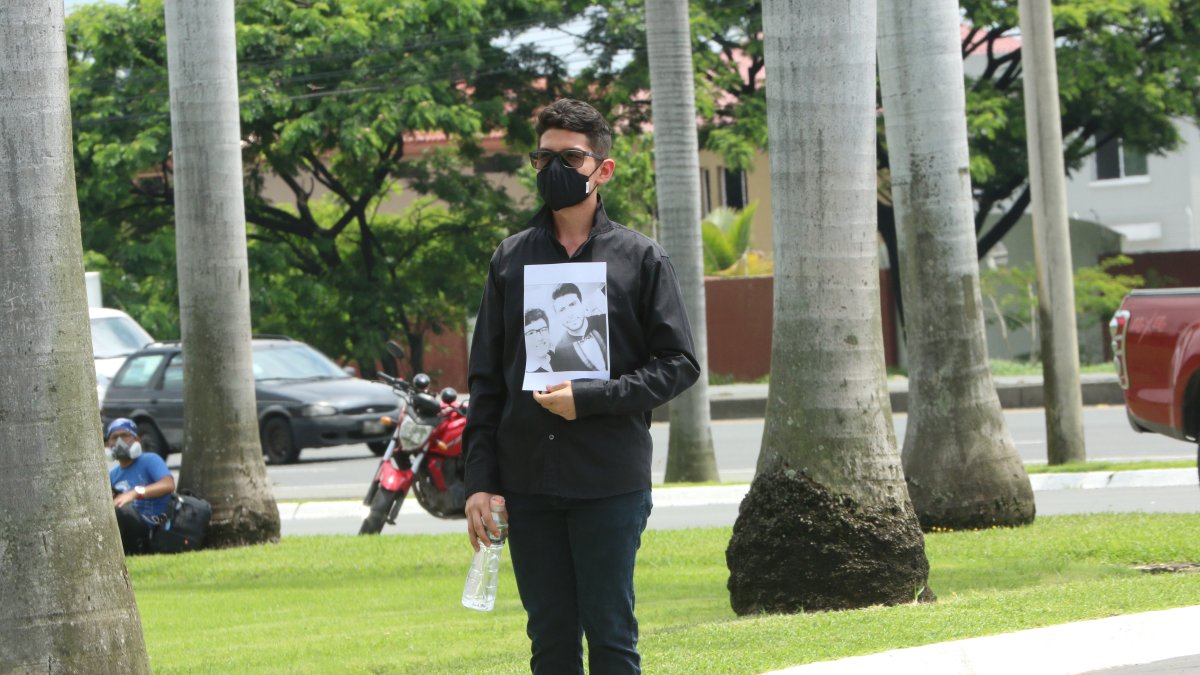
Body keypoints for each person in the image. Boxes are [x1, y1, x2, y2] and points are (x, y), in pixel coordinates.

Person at [464, 98, 700, 674]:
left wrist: (590, 398)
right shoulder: (510, 259)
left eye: (570, 157)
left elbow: (678, 363)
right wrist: (478, 483)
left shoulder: (641, 259)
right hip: (526, 483)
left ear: (603, 169)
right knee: (549, 643)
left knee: (612, 638)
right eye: (543, 157)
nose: (554, 169)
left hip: (609, 480)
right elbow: (486, 381)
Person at [106, 418, 175, 555]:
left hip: (153, 525)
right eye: (114, 437)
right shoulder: (112, 474)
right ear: (108, 444)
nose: (119, 441)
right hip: (126, 525)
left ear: (136, 440)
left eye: (125, 435)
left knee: (122, 512)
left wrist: (135, 493)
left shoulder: (150, 460)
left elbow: (168, 484)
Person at [549, 282, 609, 372]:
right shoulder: (559, 351)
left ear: (581, 303)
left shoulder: (605, 321)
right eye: (562, 310)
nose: (569, 314)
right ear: (557, 316)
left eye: (572, 304)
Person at [523, 308, 555, 373]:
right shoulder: (523, 372)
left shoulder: (559, 358)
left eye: (543, 330)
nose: (539, 338)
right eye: (531, 333)